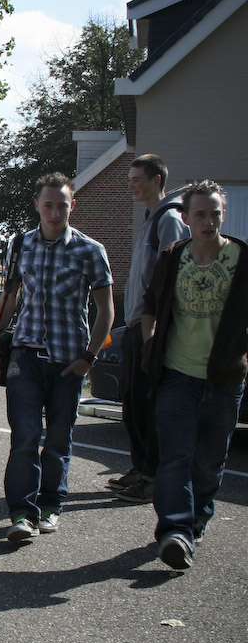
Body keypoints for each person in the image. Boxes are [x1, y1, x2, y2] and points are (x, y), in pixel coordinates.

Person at [0, 173, 113, 542]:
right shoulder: (20, 244)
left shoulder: (91, 251)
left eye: (61, 205)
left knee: (58, 439)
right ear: (38, 206)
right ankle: (22, 514)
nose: (55, 213)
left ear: (72, 206)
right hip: (26, 355)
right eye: (48, 205)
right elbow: (9, 299)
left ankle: (50, 505)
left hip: (68, 360)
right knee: (24, 436)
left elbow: (106, 311)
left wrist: (88, 358)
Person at [140, 181, 247, 570]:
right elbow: (150, 303)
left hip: (224, 379)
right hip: (176, 375)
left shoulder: (241, 258)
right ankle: (175, 531)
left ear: (223, 214)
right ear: (185, 219)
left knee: (208, 461)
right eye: (200, 214)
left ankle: (197, 517)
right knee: (175, 458)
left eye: (215, 213)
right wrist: (151, 339)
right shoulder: (173, 256)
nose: (208, 220)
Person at [111, 154, 188, 504]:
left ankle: (152, 477)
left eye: (136, 179)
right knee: (132, 403)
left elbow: (165, 279)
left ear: (157, 180)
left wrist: (151, 333)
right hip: (134, 325)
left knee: (147, 404)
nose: (130, 184)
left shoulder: (169, 219)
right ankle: (140, 468)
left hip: (150, 329)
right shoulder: (150, 216)